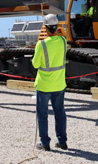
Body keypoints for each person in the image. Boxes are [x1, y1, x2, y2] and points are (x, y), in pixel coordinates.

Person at [32, 14, 68, 151]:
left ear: (46, 28)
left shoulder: (41, 45)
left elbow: (35, 64)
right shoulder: (63, 41)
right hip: (59, 84)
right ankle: (62, 142)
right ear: (57, 27)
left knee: (42, 115)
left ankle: (45, 143)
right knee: (60, 113)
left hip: (44, 85)